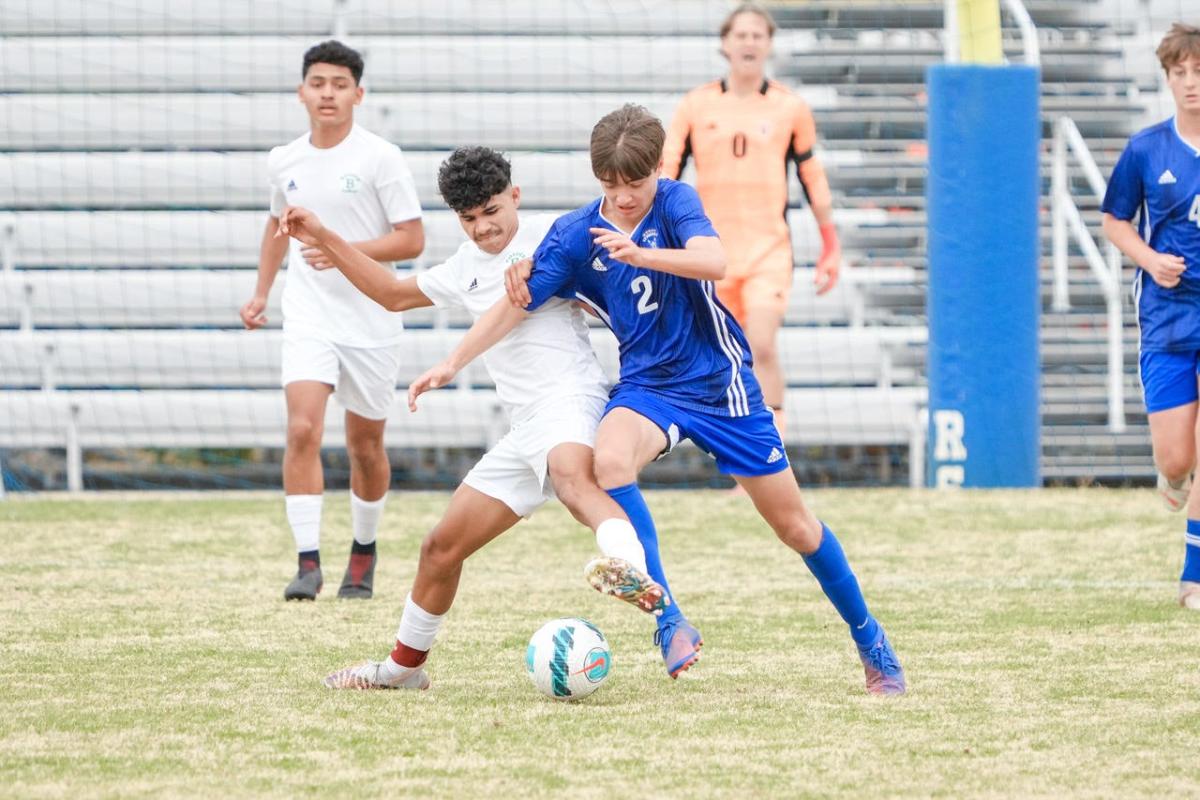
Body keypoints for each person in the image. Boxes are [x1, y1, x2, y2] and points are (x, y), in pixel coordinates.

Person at [409, 105, 905, 694]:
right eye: (610, 185)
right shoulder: (575, 235)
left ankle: (870, 638)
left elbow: (715, 261)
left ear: (656, 172)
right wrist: (450, 362)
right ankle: (668, 619)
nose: (622, 197)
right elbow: (512, 305)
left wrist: (642, 254)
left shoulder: (674, 202)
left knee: (797, 528)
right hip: (648, 385)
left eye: (634, 183)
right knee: (608, 459)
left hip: (721, 385)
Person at [275, 146, 668, 690]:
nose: (483, 229)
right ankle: (402, 671)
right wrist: (323, 236)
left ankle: (629, 568)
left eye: (491, 211)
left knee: (574, 478)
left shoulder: (553, 236)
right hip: (524, 428)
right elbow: (391, 293)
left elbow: (613, 251)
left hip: (572, 399)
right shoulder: (464, 267)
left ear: (515, 196)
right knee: (440, 547)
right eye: (469, 219)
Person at [239, 40, 425, 601]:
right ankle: (307, 564)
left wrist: (338, 244)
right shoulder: (285, 159)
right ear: (302, 92)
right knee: (301, 429)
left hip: (371, 318)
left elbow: (412, 238)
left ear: (358, 94)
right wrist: (261, 293)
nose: (327, 92)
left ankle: (363, 554)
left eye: (339, 84)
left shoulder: (380, 157)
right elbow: (278, 227)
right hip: (309, 316)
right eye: (318, 82)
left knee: (365, 445)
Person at [662, 2, 841, 441]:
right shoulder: (695, 105)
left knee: (761, 344)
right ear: (725, 44)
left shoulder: (789, 108)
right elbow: (666, 177)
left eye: (757, 35)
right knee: (721, 357)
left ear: (769, 45)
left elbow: (812, 178)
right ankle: (737, 455)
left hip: (768, 252)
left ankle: (771, 451)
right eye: (740, 35)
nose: (748, 42)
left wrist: (830, 245)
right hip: (712, 255)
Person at [1101, 22, 1200, 609]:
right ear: (1166, 79)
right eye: (1180, 73)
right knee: (1177, 456)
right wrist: (1150, 258)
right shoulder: (1145, 149)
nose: (1191, 83)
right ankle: (1172, 477)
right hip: (1165, 317)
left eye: (1199, 72)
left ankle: (1194, 574)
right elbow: (1115, 222)